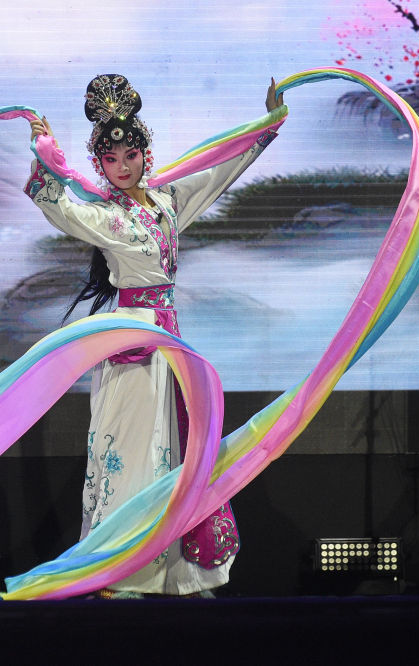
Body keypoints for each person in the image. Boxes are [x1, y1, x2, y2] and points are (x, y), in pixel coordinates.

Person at [25, 73, 284, 597]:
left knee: (180, 452)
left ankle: (177, 572)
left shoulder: (166, 204)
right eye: (111, 159)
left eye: (131, 155)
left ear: (146, 154)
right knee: (131, 449)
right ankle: (120, 568)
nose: (123, 166)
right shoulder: (105, 217)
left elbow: (218, 173)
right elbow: (58, 206)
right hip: (131, 344)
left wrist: (268, 126)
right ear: (99, 165)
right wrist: (43, 153)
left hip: (171, 344)